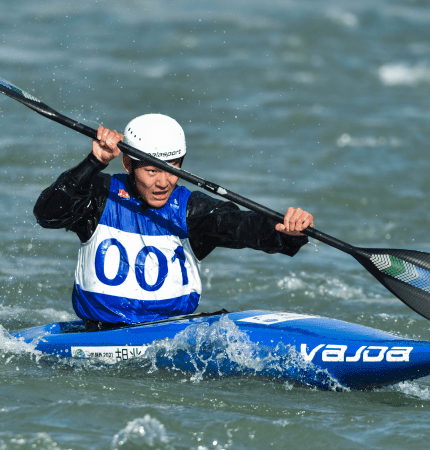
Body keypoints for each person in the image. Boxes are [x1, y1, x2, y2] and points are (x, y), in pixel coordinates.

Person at [33, 114, 314, 330]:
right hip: (101, 334)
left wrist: (287, 232)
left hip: (172, 334)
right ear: (128, 164)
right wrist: (94, 162)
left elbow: (244, 227)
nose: (163, 182)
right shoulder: (98, 196)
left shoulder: (191, 210)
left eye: (173, 168)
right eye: (152, 170)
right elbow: (47, 214)